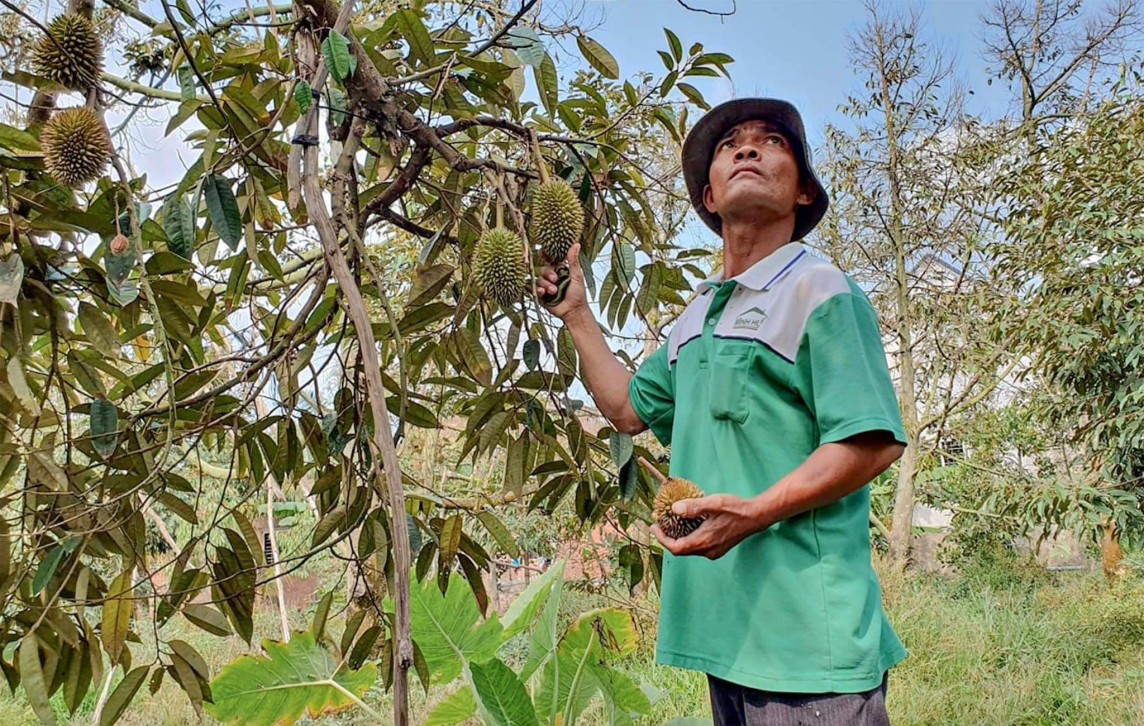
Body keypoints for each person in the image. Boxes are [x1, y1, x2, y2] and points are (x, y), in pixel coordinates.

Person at [536, 98, 908, 725]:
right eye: (731, 143)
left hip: (807, 647)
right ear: (708, 198)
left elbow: (870, 442)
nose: (747, 148)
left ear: (804, 194)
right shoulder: (699, 315)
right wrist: (577, 313)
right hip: (726, 638)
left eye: (773, 142)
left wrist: (753, 514)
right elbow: (627, 410)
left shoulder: (821, 291)